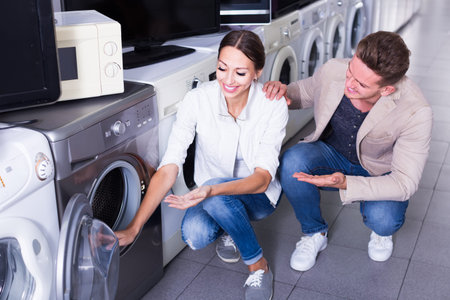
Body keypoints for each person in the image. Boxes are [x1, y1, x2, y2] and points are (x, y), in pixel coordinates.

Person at [115, 30, 288, 299]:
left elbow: (263, 179)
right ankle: (231, 225)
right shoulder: (197, 99)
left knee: (216, 192)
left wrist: (211, 191)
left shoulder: (272, 105)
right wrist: (134, 228)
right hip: (211, 196)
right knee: (195, 235)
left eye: (240, 73)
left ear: (258, 72)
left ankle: (259, 266)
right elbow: (170, 165)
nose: (228, 80)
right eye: (222, 68)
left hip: (258, 196)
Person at [263, 31, 432, 271]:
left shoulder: (416, 111)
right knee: (292, 161)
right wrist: (282, 92)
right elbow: (306, 92)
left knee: (384, 220)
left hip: (379, 170)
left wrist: (346, 184)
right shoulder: (334, 69)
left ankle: (381, 234)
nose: (349, 83)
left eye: (361, 83)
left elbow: (405, 182)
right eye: (351, 71)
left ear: (386, 90)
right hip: (333, 152)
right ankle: (314, 233)